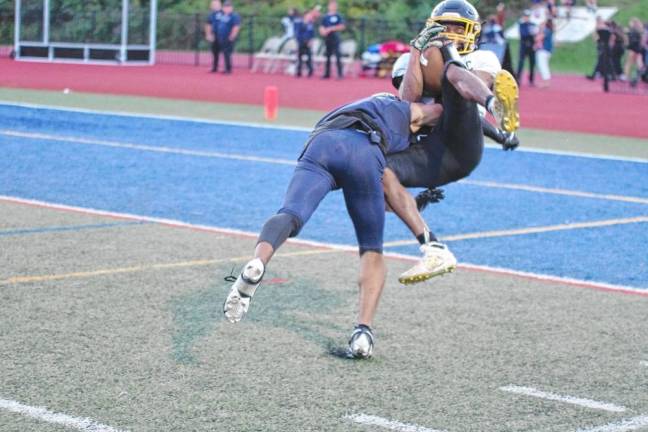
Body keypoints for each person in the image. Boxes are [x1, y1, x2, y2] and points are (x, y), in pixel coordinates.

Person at [223, 94, 443, 359]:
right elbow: (386, 193)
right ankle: (363, 332)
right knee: (371, 249)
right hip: (364, 150)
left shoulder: (370, 104)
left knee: (291, 214)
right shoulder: (409, 113)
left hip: (323, 143)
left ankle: (258, 262)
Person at [384, 0, 520, 285]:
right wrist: (415, 52)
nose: (452, 32)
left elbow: (463, 109)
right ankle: (430, 244)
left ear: (472, 31)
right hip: (423, 145)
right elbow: (406, 103)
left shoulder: (483, 59)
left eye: (459, 27)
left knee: (454, 79)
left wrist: (499, 132)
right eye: (445, 27)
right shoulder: (414, 60)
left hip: (460, 134)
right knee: (370, 173)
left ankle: (496, 104)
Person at [319, 1, 346, 79]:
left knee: (338, 55)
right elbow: (321, 26)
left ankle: (340, 74)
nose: (332, 7)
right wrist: (323, 31)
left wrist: (331, 29)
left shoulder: (338, 16)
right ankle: (327, 73)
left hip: (335, 38)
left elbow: (342, 26)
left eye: (334, 5)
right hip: (327, 38)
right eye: (331, 5)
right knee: (327, 56)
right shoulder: (325, 17)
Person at [214, 0, 241, 74]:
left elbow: (236, 26)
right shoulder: (223, 15)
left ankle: (228, 69)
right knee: (225, 53)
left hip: (228, 37)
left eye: (228, 7)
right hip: (222, 37)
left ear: (231, 7)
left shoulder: (234, 15)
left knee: (227, 53)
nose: (226, 8)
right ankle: (226, 68)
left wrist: (232, 35)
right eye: (225, 7)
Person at [516, 9, 537, 86]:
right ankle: (517, 79)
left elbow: (535, 35)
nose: (526, 17)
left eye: (527, 16)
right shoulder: (521, 25)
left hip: (531, 46)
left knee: (532, 63)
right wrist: (531, 33)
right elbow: (523, 34)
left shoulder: (533, 24)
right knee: (520, 63)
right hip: (523, 46)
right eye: (525, 16)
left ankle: (531, 80)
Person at [295, 9, 317, 77]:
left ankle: (310, 71)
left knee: (309, 57)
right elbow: (297, 33)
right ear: (304, 16)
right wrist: (300, 41)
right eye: (308, 15)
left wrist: (311, 41)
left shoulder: (310, 24)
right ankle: (299, 71)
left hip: (308, 43)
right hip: (301, 42)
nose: (309, 16)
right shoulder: (300, 23)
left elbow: (312, 34)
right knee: (300, 57)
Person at [624, 18, 646, 85]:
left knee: (629, 63)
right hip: (638, 48)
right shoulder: (641, 31)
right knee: (638, 63)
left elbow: (627, 40)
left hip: (632, 48)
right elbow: (642, 41)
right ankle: (639, 76)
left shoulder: (630, 31)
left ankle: (627, 77)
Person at [204, 0, 223, 73]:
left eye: (216, 4)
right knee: (214, 52)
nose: (214, 6)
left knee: (225, 52)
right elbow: (208, 25)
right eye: (213, 4)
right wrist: (208, 34)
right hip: (214, 35)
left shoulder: (224, 13)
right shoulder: (211, 15)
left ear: (220, 5)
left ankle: (226, 67)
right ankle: (215, 67)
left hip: (222, 35)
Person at [535, 19, 554, 88]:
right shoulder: (550, 30)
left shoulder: (546, 31)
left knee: (543, 66)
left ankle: (546, 82)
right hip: (547, 51)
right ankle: (546, 81)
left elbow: (537, 38)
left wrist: (539, 30)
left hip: (543, 51)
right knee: (545, 66)